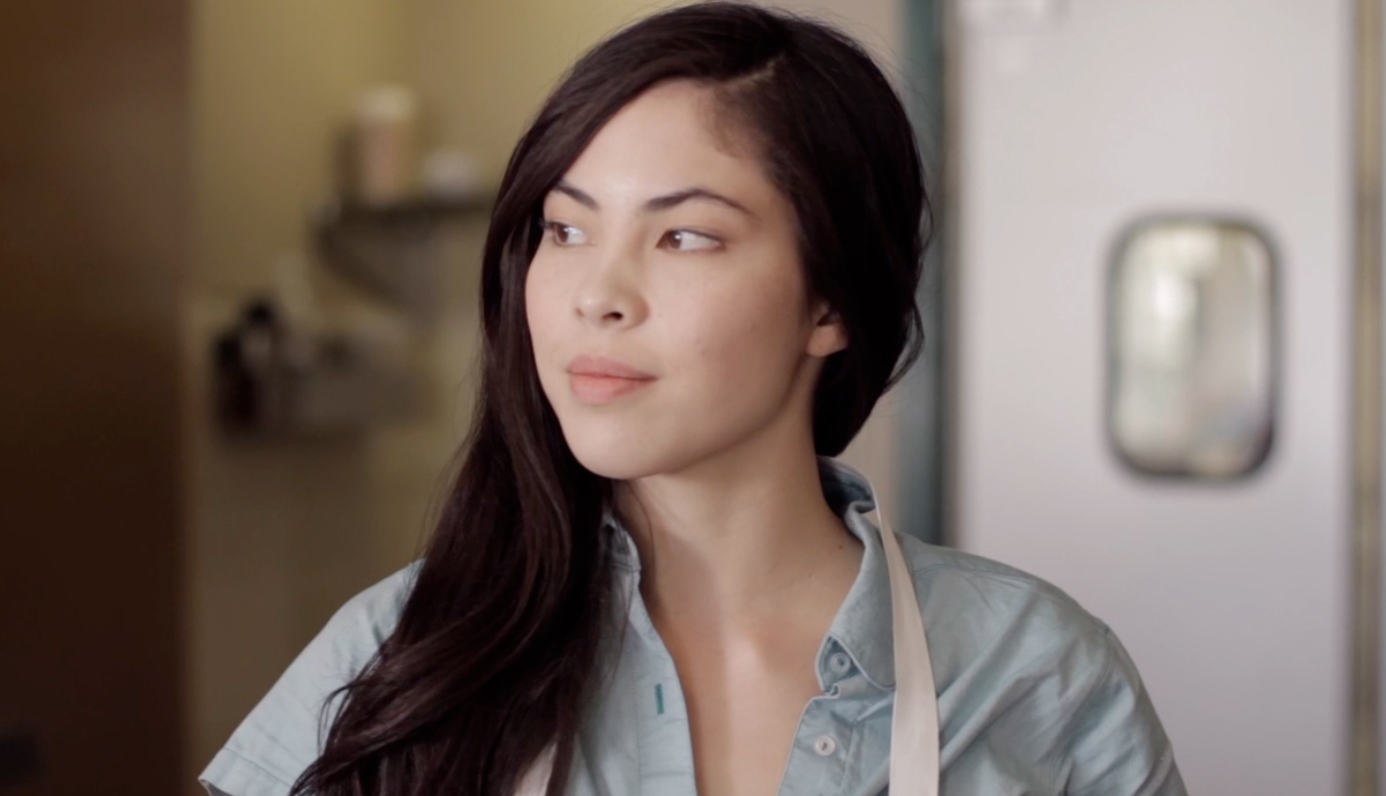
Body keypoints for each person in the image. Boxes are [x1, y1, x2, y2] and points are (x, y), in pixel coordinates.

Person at [199, 4, 1186, 796]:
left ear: (832, 302)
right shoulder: (404, 654)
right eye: (565, 229)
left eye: (685, 237)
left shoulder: (1035, 672)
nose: (597, 294)